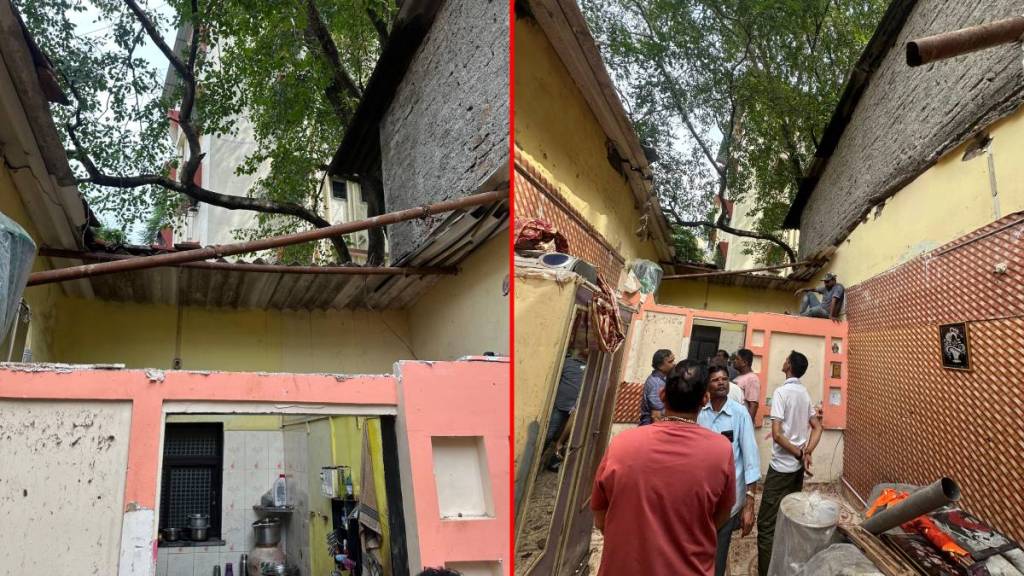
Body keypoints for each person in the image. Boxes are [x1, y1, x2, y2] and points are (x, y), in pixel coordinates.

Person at [592, 362, 735, 576]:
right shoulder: (721, 450)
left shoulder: (622, 443)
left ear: (661, 394)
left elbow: (601, 515)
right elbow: (722, 514)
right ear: (705, 399)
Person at [757, 351, 823, 576]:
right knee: (788, 518)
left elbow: (776, 434)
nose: (783, 361)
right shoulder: (804, 393)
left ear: (789, 366)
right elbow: (818, 427)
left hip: (781, 469)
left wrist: (798, 454)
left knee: (766, 526)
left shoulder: (781, 392)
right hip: (796, 471)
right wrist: (806, 453)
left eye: (786, 359)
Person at [698, 365, 761, 576]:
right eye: (716, 379)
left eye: (725, 379)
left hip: (728, 501)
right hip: (701, 499)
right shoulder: (699, 414)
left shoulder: (740, 413)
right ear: (707, 384)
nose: (722, 382)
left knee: (718, 555)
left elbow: (751, 459)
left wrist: (750, 503)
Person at [543, 347, 587, 470]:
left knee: (569, 442)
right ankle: (537, 461)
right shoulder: (568, 362)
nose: (587, 349)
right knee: (549, 435)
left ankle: (553, 463)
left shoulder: (591, 370)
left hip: (577, 411)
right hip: (560, 406)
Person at [638, 349, 675, 425]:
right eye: (670, 362)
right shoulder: (656, 383)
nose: (674, 364)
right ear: (660, 365)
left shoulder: (662, 380)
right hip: (651, 429)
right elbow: (656, 416)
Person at [733, 348, 761, 422]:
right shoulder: (738, 377)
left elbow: (753, 405)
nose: (734, 361)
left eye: (737, 359)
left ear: (744, 363)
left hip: (741, 422)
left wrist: (747, 426)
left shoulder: (752, 378)